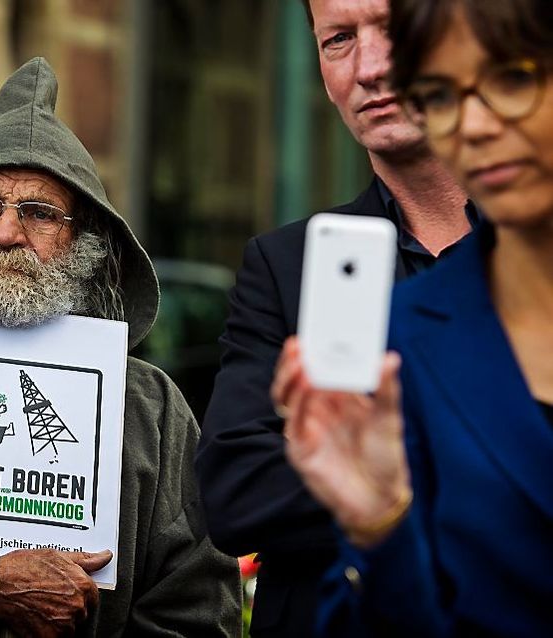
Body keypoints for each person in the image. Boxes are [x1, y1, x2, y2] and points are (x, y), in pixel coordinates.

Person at [0, 57, 242, 637]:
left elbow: (199, 612)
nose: (6, 234)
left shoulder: (151, 410)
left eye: (40, 213)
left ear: (85, 243)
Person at [193, 0, 478, 634]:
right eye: (338, 40)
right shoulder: (288, 265)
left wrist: (358, 463)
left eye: (394, 30)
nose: (370, 67)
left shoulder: (534, 250)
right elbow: (234, 491)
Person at [276, 0, 553, 634]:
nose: (475, 125)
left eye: (509, 79)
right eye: (441, 94)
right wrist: (380, 525)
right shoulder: (403, 334)